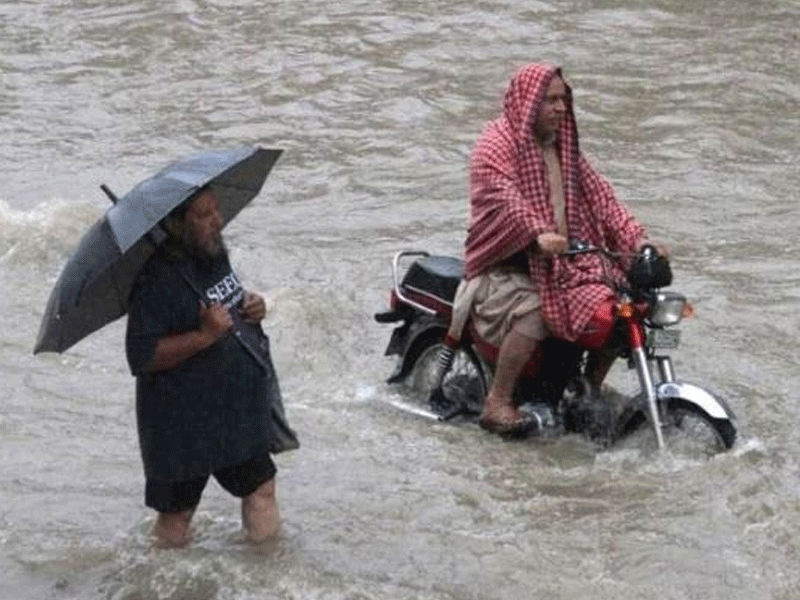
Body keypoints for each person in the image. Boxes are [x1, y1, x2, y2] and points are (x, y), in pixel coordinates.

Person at [455, 63, 659, 436]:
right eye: (550, 100)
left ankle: (586, 389)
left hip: (562, 264)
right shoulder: (496, 144)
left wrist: (640, 243)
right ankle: (497, 401)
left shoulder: (564, 150)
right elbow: (505, 199)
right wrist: (537, 233)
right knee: (538, 313)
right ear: (528, 102)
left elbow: (604, 201)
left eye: (563, 99)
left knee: (619, 306)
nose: (560, 107)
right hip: (507, 268)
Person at [126, 186, 299, 547]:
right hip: (180, 423)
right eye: (205, 216)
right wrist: (203, 337)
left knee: (261, 490)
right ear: (179, 224)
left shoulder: (213, 254)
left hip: (233, 409)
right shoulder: (155, 280)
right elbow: (141, 356)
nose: (217, 221)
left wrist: (252, 305)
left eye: (217, 210)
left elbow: (228, 302)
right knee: (177, 517)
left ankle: (268, 578)